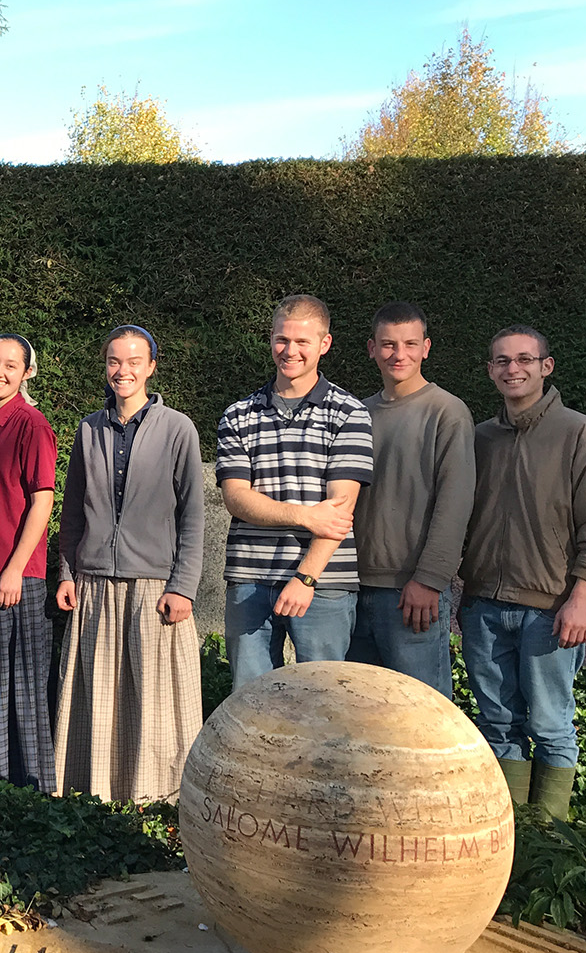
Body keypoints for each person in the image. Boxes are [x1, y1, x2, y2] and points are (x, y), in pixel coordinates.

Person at [460, 326, 586, 820]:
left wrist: (584, 596)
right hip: (484, 607)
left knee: (553, 726)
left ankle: (551, 843)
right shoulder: (481, 439)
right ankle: (512, 841)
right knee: (498, 722)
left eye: (524, 359)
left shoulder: (582, 433)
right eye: (502, 361)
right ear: (491, 370)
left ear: (545, 366)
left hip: (551, 609)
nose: (513, 369)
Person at [54, 325, 204, 802]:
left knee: (153, 702)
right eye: (114, 361)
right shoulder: (88, 429)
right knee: (97, 699)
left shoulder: (178, 429)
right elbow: (72, 510)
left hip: (153, 587)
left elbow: (193, 516)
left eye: (133, 361)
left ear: (151, 367)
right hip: (95, 583)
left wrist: (183, 586)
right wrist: (65, 572)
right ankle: (94, 794)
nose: (123, 371)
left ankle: (155, 797)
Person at [217, 295, 374, 691]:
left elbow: (340, 509)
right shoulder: (238, 414)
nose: (290, 351)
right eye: (282, 340)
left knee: (324, 702)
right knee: (251, 704)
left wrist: (305, 578)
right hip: (250, 578)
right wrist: (304, 515)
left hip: (323, 583)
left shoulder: (349, 413)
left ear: (325, 344)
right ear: (271, 340)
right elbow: (236, 497)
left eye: (303, 342)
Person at [347, 303, 476, 695]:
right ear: (372, 348)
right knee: (361, 715)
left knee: (423, 715)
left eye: (409, 344)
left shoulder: (447, 413)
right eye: (388, 344)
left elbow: (455, 503)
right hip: (351, 589)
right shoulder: (356, 413)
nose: (398, 354)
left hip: (411, 593)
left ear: (426, 348)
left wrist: (430, 579)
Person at [0, 334, 58, 790]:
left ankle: (33, 792)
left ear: (27, 372)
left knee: (22, 689)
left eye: (10, 365)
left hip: (17, 579)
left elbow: (42, 501)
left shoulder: (31, 425)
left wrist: (14, 569)